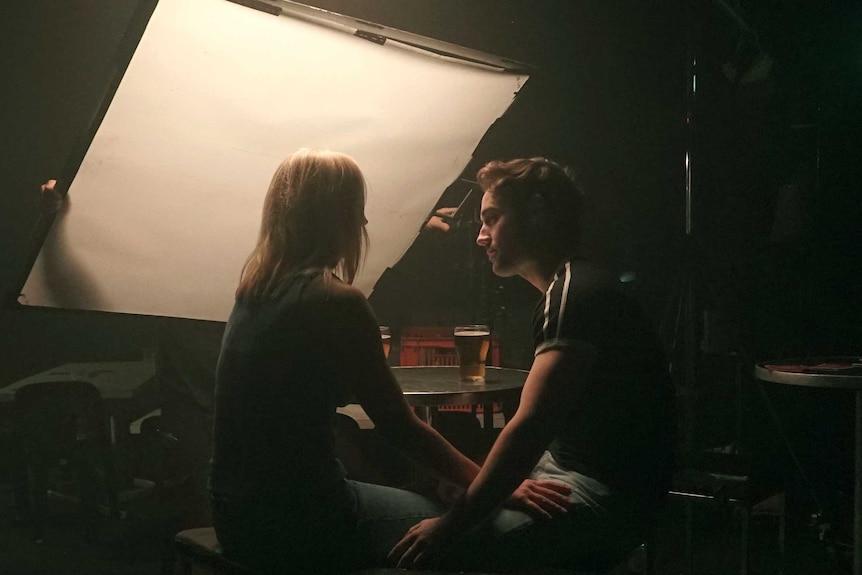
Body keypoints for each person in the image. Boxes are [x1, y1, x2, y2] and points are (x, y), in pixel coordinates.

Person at [207, 149, 570, 574]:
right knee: (474, 526)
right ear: (336, 217)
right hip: (300, 517)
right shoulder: (335, 300)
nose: (363, 224)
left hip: (232, 512)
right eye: (356, 211)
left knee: (424, 492)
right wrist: (497, 488)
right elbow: (400, 426)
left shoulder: (253, 292)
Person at [390, 157, 676, 572]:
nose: (481, 237)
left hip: (605, 493)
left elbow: (529, 428)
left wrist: (451, 526)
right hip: (565, 468)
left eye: (492, 219)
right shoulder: (572, 284)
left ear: (537, 213)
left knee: (439, 550)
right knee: (443, 495)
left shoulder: (574, 296)